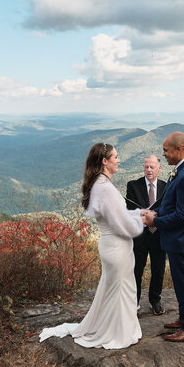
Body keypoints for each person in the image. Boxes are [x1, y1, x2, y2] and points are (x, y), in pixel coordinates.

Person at [39, 142, 144, 350]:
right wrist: (143, 220)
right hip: (116, 246)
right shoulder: (105, 188)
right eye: (116, 157)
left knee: (116, 288)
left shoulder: (99, 183)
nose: (119, 160)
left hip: (111, 244)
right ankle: (117, 334)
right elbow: (121, 224)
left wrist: (136, 214)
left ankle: (116, 328)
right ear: (105, 161)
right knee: (121, 289)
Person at [143, 132, 184, 342]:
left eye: (166, 151)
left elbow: (182, 215)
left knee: (183, 283)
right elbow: (174, 205)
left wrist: (155, 221)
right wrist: (155, 213)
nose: (164, 155)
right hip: (178, 237)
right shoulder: (181, 170)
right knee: (180, 282)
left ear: (179, 150)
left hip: (183, 239)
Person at [126, 155, 167, 315]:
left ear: (159, 168)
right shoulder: (133, 186)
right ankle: (134, 302)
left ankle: (155, 301)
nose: (148, 170)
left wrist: (153, 218)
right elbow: (130, 209)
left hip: (158, 235)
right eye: (146, 167)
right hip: (140, 236)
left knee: (158, 269)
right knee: (136, 269)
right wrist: (149, 216)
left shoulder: (166, 187)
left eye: (151, 167)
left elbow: (169, 209)